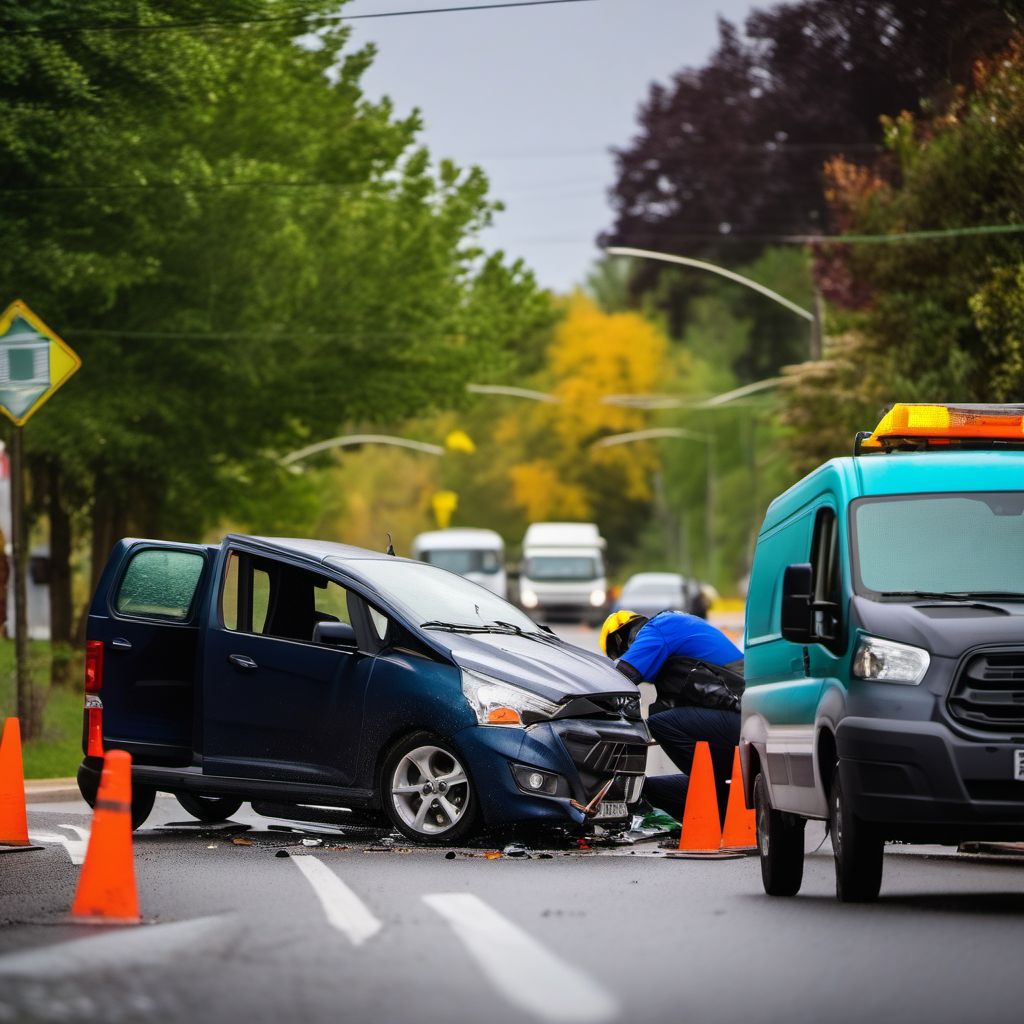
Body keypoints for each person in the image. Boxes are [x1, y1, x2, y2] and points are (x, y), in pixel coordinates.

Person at [600, 609, 744, 823]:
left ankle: (713, 794)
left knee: (660, 723)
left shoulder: (659, 627)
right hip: (738, 722)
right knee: (644, 788)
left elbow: (621, 675)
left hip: (744, 720)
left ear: (622, 638)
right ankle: (717, 800)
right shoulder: (675, 643)